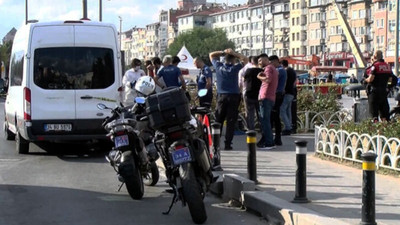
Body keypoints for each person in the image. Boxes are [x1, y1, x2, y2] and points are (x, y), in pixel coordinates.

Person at [209, 48, 248, 150]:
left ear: (224, 59)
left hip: (221, 96)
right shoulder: (236, 68)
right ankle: (228, 143)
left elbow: (211, 54)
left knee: (218, 120)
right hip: (234, 96)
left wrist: (223, 52)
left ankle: (215, 143)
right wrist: (234, 53)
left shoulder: (219, 66)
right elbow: (246, 59)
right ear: (234, 60)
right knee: (231, 121)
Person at [364, 50, 394, 122]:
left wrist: (365, 80)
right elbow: (390, 80)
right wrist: (387, 86)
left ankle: (375, 130)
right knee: (384, 115)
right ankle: (385, 131)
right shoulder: (387, 66)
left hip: (374, 93)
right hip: (383, 92)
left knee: (374, 115)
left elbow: (371, 79)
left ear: (374, 56)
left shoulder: (375, 66)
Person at [257, 54, 278, 150]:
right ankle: (268, 141)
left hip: (265, 97)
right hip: (270, 97)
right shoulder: (273, 68)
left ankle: (269, 143)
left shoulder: (268, 68)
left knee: (265, 121)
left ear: (266, 59)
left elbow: (268, 79)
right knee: (266, 120)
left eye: (261, 60)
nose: (259, 63)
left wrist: (259, 77)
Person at [243, 55, 263, 131]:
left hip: (249, 94)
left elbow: (244, 80)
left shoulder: (248, 71)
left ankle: (251, 129)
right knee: (260, 113)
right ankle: (262, 129)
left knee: (250, 113)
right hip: (259, 94)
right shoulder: (261, 71)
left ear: (251, 62)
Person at [270, 56, 287, 146]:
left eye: (271, 62)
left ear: (276, 61)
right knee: (274, 116)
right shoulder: (280, 70)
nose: (270, 64)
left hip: (277, 94)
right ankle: (277, 137)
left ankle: (277, 137)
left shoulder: (279, 70)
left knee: (275, 116)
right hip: (278, 94)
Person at [280, 59, 296, 135]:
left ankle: (287, 127)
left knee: (282, 110)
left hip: (287, 92)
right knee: (288, 110)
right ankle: (289, 126)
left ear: (282, 65)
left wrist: (282, 89)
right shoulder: (292, 71)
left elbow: (285, 82)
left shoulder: (285, 71)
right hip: (292, 93)